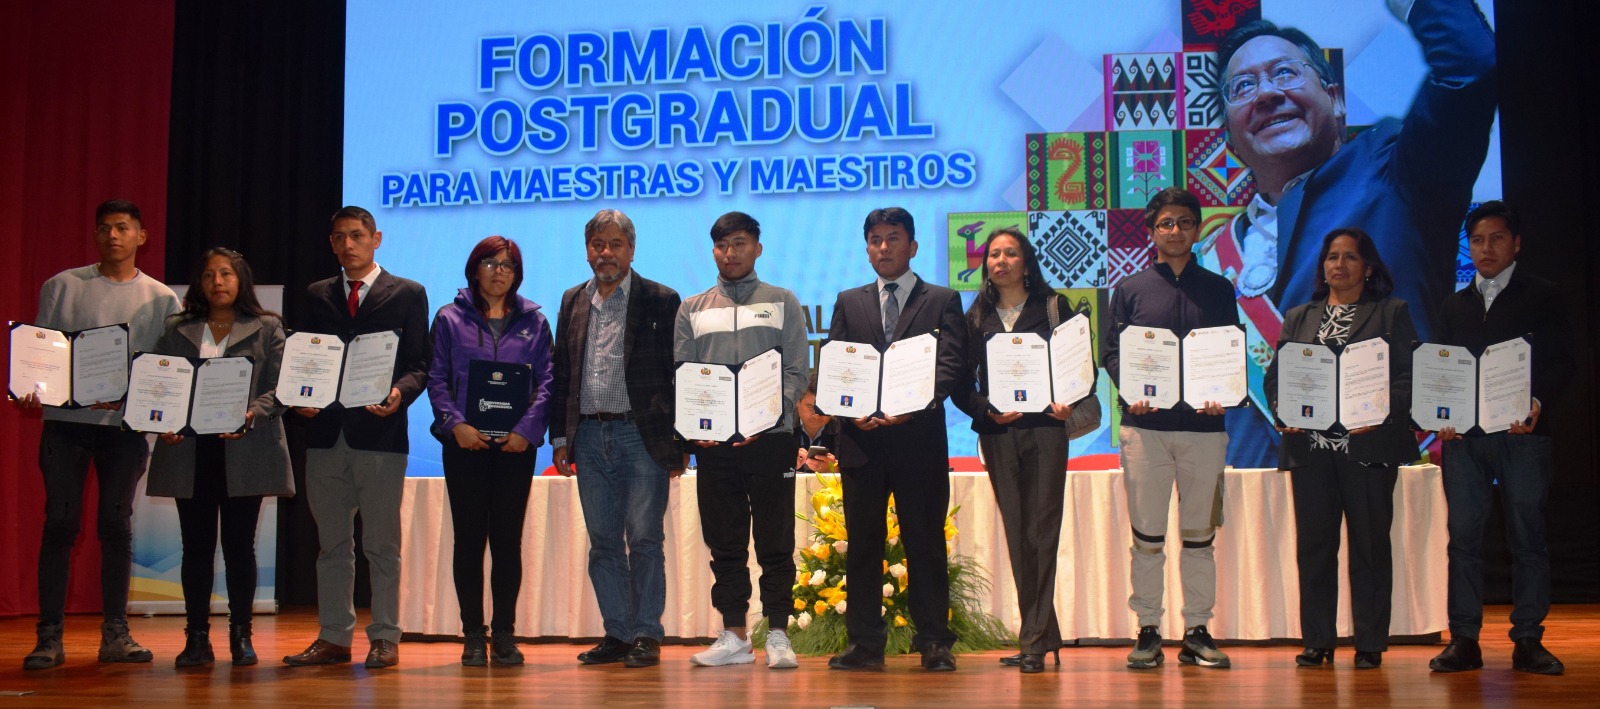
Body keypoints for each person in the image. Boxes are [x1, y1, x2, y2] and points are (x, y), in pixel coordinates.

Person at [1207, 0, 1498, 467]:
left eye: (1284, 73)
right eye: (1243, 86)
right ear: (1229, 137)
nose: (1266, 94)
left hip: (1390, 482)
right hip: (1257, 497)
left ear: (1336, 99)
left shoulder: (1397, 173)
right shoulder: (1212, 256)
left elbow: (1471, 67)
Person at [18, 199, 181, 670]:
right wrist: (31, 388)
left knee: (116, 526)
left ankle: (115, 635)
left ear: (141, 236)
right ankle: (48, 637)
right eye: (105, 227)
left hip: (124, 430)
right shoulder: (62, 286)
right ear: (95, 235)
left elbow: (164, 371)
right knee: (60, 524)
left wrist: (144, 404)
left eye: (123, 227)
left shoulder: (162, 299)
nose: (113, 235)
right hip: (65, 426)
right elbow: (41, 354)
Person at [283, 206, 430, 669]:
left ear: (376, 238)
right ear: (331, 243)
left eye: (357, 235)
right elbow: (301, 357)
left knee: (381, 545)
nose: (348, 244)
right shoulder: (316, 294)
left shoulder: (407, 293)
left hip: (380, 434)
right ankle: (334, 637)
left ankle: (385, 636)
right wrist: (297, 398)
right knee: (331, 545)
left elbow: (419, 365)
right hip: (325, 433)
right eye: (339, 237)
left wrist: (399, 393)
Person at [1265, 227, 1417, 670]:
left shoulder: (1390, 312)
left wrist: (1382, 410)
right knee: (1314, 548)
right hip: (1310, 449)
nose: (1339, 264)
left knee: (1370, 547)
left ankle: (1369, 641)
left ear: (1368, 267)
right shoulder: (1299, 316)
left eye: (1350, 257)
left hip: (1368, 445)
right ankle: (1318, 640)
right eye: (1332, 256)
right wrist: (1282, 409)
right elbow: (1277, 378)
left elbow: (1409, 376)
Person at [1428, 201, 1569, 675]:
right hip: (1464, 441)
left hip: (1522, 436)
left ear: (1516, 243)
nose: (1486, 248)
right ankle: (1464, 639)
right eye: (1477, 240)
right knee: (1463, 539)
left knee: (1527, 537)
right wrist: (1440, 415)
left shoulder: (1544, 296)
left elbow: (1562, 363)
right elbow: (1441, 371)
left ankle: (1528, 638)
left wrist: (1538, 402)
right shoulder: (1454, 304)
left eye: (1496, 238)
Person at [825, 207, 967, 672]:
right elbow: (838, 366)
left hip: (917, 441)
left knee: (924, 544)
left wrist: (914, 405)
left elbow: (950, 365)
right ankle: (865, 644)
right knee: (863, 547)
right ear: (867, 248)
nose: (883, 247)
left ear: (913, 246)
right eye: (875, 240)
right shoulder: (849, 301)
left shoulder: (941, 299)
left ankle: (934, 643)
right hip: (862, 443)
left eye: (893, 238)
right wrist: (850, 410)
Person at [1103, 187, 1236, 670]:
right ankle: (1148, 630)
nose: (1175, 231)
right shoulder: (1131, 289)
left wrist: (1224, 391)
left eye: (1184, 222)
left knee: (1200, 537)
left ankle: (1198, 630)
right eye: (1165, 223)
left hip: (1205, 429)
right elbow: (1112, 353)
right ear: (1152, 231)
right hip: (1145, 430)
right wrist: (1130, 388)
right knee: (1148, 538)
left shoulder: (1219, 289)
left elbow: (1229, 349)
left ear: (1197, 229)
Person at [147, 247, 295, 667]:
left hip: (245, 448)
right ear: (200, 283)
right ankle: (196, 637)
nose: (217, 282)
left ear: (240, 279)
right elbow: (159, 381)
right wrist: (163, 420)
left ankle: (240, 634)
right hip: (189, 451)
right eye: (209, 274)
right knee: (195, 548)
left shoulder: (268, 326)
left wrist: (253, 414)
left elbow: (282, 386)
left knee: (239, 547)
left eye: (226, 274)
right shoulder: (177, 327)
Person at [673, 211, 809, 670]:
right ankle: (733, 635)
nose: (730, 253)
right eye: (722, 245)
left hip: (771, 439)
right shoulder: (692, 308)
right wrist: (697, 428)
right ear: (714, 250)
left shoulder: (783, 301)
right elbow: (685, 375)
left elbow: (796, 371)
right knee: (725, 542)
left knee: (776, 540)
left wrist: (767, 417)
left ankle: (778, 634)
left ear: (757, 248)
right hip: (715, 447)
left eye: (740, 243)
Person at [550, 209, 683, 668]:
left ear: (631, 249)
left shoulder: (661, 299)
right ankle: (618, 634)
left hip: (640, 435)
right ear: (587, 250)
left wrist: (678, 443)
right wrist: (560, 437)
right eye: (597, 244)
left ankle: (646, 633)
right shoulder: (572, 300)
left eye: (615, 244)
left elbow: (676, 374)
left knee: (644, 539)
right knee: (603, 542)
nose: (605, 252)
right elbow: (562, 373)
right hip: (588, 435)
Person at [951, 227, 1080, 674]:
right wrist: (986, 410)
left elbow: (1080, 366)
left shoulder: (1054, 307)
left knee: (1041, 534)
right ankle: (1043, 635)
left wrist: (1068, 400)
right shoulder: (976, 315)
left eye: (1010, 253)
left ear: (1026, 262)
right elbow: (960, 382)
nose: (1000, 261)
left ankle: (1033, 642)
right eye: (993, 254)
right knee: (1018, 533)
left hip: (1046, 431)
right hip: (999, 435)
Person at [425, 236, 553, 667]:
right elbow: (436, 378)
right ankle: (472, 635)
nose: (499, 272)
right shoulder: (449, 318)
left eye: (508, 265)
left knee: (506, 541)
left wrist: (526, 431)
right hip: (465, 446)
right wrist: (455, 425)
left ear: (517, 274)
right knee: (468, 540)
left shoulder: (536, 322)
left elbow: (547, 382)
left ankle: (503, 634)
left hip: (516, 448)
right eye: (490, 263)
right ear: (474, 268)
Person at [794, 371, 838, 474]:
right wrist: (786, 465)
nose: (816, 414)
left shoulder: (842, 429)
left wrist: (834, 469)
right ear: (797, 402)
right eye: (811, 407)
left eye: (822, 408)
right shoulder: (783, 428)